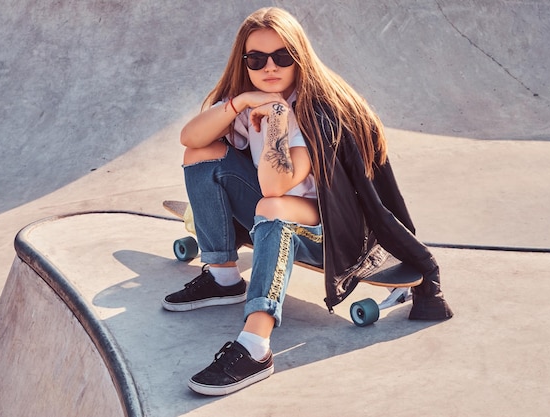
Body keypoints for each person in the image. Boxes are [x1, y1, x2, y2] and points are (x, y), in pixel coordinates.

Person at [162, 7, 453, 396]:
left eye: (282, 57)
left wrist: (278, 116)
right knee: (202, 156)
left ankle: (255, 346)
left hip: (328, 232)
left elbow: (274, 184)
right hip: (278, 208)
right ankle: (223, 277)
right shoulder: (253, 97)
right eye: (257, 59)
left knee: (272, 207)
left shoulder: (318, 113)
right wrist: (240, 102)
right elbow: (190, 139)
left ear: (299, 58)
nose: (270, 67)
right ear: (244, 62)